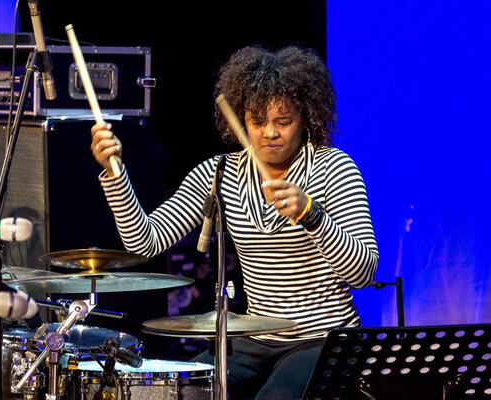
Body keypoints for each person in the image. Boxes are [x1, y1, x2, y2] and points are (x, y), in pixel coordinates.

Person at [90, 44, 378, 399]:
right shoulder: (219, 173)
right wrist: (115, 174)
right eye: (257, 122)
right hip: (252, 338)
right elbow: (145, 242)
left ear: (304, 117)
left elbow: (363, 272)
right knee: (181, 391)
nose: (269, 132)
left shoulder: (334, 168)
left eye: (282, 121)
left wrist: (311, 214)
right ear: (241, 119)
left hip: (322, 340)